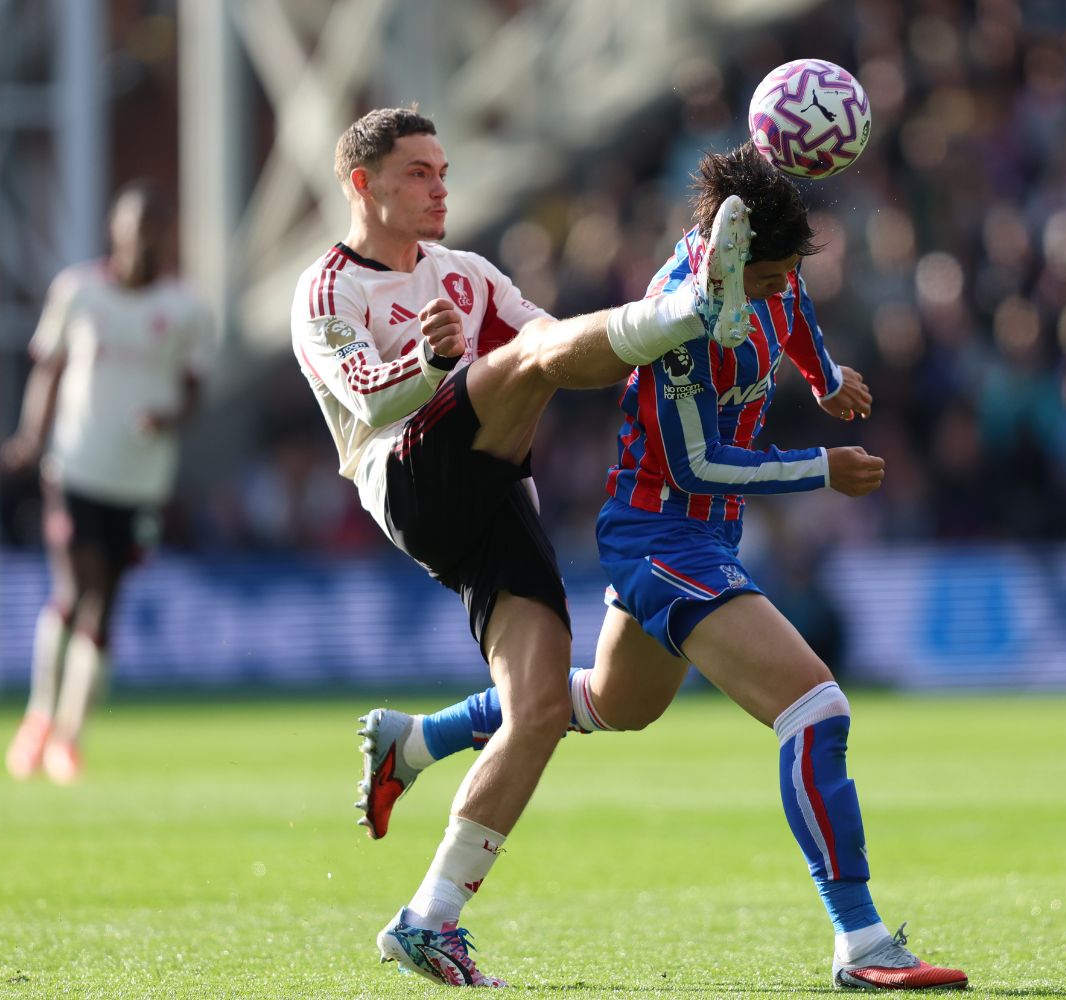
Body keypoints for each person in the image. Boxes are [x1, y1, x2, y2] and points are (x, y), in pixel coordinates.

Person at [358, 144, 969, 991]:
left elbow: (794, 311)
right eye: (763, 280)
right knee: (815, 706)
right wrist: (818, 468)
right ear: (732, 264)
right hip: (660, 536)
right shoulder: (680, 329)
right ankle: (862, 943)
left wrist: (823, 378)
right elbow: (698, 468)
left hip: (704, 539)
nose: (775, 291)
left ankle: (418, 740)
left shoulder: (765, 272)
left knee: (613, 703)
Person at [290, 107, 756, 988]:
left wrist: (672, 353)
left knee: (537, 709)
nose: (441, 188)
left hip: (496, 496)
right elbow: (368, 403)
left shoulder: (465, 274)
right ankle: (691, 301)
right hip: (411, 484)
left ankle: (427, 918)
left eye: (444, 170)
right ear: (364, 184)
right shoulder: (328, 290)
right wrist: (434, 364)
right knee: (521, 363)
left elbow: (570, 348)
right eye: (420, 172)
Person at [2, 182, 211, 785]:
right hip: (74, 466)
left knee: (105, 606)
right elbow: (48, 368)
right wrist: (29, 436)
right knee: (75, 587)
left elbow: (196, 389)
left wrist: (167, 417)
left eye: (153, 228)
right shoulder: (78, 291)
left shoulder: (187, 310)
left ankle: (68, 736)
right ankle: (39, 717)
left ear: (165, 233)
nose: (142, 240)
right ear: (115, 232)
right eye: (133, 227)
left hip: (140, 479)